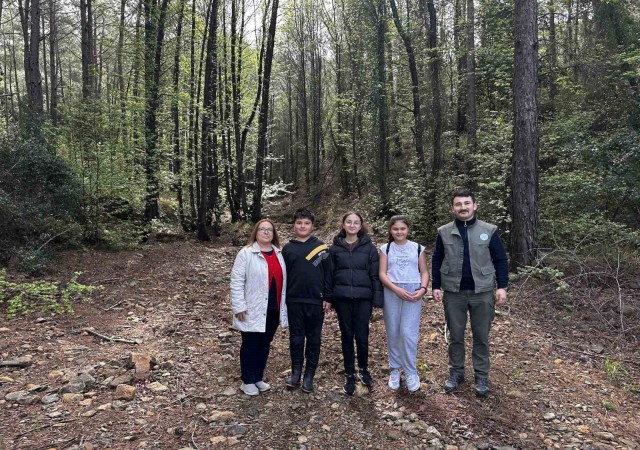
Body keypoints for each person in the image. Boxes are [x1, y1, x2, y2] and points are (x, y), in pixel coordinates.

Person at [431, 187, 508, 397]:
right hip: (454, 292)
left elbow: (500, 259)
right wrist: (435, 286)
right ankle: (456, 373)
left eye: (466, 203)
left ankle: (481, 375)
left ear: (475, 206)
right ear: (452, 208)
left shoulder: (489, 230)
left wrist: (502, 286)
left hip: (482, 291)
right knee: (455, 335)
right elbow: (437, 259)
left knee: (481, 336)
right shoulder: (443, 231)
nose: (463, 207)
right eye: (458, 204)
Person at [325, 211, 383, 395]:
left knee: (362, 335)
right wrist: (328, 297)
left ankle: (364, 369)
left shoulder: (370, 248)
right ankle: (350, 372)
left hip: (363, 298)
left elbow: (375, 276)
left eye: (355, 222)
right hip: (341, 298)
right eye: (348, 222)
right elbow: (329, 276)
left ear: (360, 225)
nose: (352, 225)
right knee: (346, 335)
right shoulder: (334, 249)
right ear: (343, 225)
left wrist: (377, 299)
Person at [230, 219, 288, 396]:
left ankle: (258, 377)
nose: (266, 232)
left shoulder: (279, 253)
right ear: (256, 232)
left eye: (269, 230)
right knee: (250, 343)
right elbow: (236, 281)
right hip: (252, 308)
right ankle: (247, 380)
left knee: (264, 343)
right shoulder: (246, 253)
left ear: (274, 233)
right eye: (262, 229)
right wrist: (239, 306)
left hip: (273, 308)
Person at [282, 208, 332, 393]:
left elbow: (329, 274)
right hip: (294, 300)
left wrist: (327, 297)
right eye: (299, 223)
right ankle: (296, 373)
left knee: (313, 338)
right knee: (296, 338)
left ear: (312, 226)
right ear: (294, 225)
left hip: (316, 300)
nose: (302, 226)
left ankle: (309, 375)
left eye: (306, 223)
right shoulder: (287, 248)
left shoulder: (321, 247)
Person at [379, 215, 429, 392]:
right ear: (390, 231)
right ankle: (394, 369)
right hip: (392, 291)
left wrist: (422, 289)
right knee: (393, 331)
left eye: (402, 229)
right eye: (395, 229)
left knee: (408, 333)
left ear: (408, 230)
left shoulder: (417, 248)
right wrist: (395, 289)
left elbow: (424, 272)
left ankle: (410, 370)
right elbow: (382, 274)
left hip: (413, 292)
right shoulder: (386, 248)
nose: (399, 232)